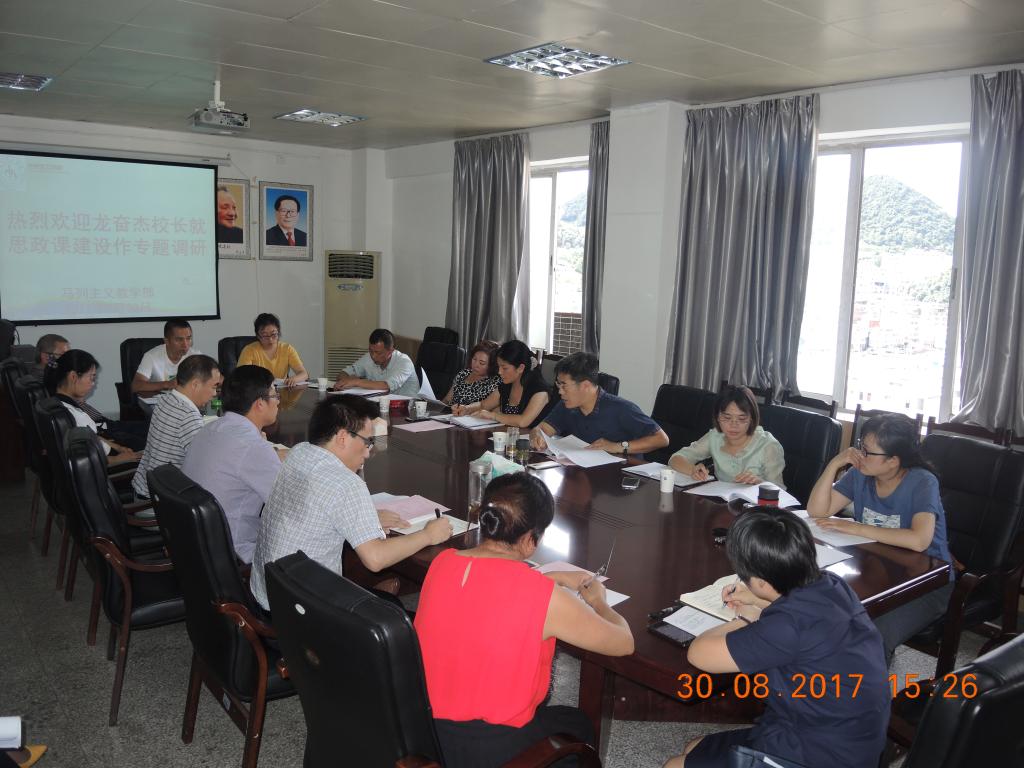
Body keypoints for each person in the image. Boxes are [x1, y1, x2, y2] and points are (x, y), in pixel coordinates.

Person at [414, 472, 634, 768]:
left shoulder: (443, 562)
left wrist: (547, 577)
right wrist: (598, 601)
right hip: (487, 750)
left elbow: (490, 589)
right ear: (531, 540)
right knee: (577, 724)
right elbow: (623, 642)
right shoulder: (544, 596)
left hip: (425, 734)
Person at [665, 508, 889, 768]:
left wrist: (746, 618)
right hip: (847, 734)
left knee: (674, 766)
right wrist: (759, 598)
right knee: (694, 747)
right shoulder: (831, 584)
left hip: (819, 754)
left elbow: (699, 653)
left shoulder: (786, 627)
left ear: (760, 581)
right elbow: (796, 616)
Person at [249, 394, 453, 610]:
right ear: (343, 437)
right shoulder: (345, 482)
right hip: (302, 613)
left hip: (266, 593)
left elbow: (314, 506)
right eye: (367, 442)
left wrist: (363, 519)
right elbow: (376, 558)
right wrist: (428, 535)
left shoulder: (299, 452)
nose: (368, 452)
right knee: (394, 610)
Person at [806, 414, 954, 663]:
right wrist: (834, 464)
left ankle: (868, 686)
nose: (859, 454)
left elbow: (919, 540)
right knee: (822, 610)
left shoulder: (922, 482)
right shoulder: (861, 473)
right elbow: (817, 511)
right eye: (860, 445)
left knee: (872, 636)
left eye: (867, 451)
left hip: (927, 583)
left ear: (893, 461)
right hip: (876, 572)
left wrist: (857, 528)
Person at [181, 365, 285, 564]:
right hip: (232, 554)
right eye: (274, 395)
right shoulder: (253, 448)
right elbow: (287, 505)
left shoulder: (210, 429)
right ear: (259, 404)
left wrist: (270, 455)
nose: (278, 401)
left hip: (195, 541)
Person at [530, 351, 669, 456]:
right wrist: (537, 436)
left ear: (585, 385)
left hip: (620, 477)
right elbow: (542, 429)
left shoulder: (621, 408)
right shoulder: (566, 405)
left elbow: (661, 439)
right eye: (558, 385)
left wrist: (617, 446)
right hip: (582, 471)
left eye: (564, 385)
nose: (560, 391)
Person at [131, 355, 221, 498]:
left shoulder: (165, 400)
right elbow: (208, 466)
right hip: (157, 501)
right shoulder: (188, 416)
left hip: (144, 488)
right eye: (214, 386)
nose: (215, 394)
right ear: (195, 384)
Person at [669, 386, 785, 487]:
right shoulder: (715, 436)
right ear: (717, 417)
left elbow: (779, 491)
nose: (734, 425)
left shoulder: (768, 445)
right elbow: (676, 458)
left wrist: (759, 483)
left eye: (741, 419)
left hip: (755, 505)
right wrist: (693, 470)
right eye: (727, 418)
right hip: (722, 502)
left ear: (752, 419)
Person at [46, 350, 141, 466]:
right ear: (73, 376)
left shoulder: (60, 403)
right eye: (91, 377)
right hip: (105, 463)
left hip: (105, 451)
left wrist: (119, 447)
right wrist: (119, 459)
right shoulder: (71, 415)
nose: (93, 384)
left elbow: (92, 435)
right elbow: (85, 459)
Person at [451, 340, 550, 429]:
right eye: (499, 367)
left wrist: (493, 416)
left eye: (504, 368)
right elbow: (483, 405)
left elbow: (523, 421)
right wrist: (466, 409)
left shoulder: (540, 390)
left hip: (532, 440)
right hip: (507, 437)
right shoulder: (507, 384)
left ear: (520, 368)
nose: (499, 372)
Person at [333, 328, 418, 396]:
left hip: (408, 407)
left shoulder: (404, 362)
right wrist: (344, 381)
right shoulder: (368, 357)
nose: (373, 356)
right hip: (380, 403)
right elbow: (344, 373)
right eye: (370, 351)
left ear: (390, 351)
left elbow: (386, 386)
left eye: (378, 353)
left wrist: (356, 382)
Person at [131, 319, 201, 395]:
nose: (185, 344)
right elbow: (136, 386)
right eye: (179, 339)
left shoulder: (195, 356)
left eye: (188, 338)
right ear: (166, 341)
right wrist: (167, 384)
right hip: (159, 399)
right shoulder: (151, 356)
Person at [237, 313, 308, 386]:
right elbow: (241, 376)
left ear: (278, 332)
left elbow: (304, 374)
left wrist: (294, 379)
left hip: (280, 390)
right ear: (258, 336)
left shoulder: (287, 349)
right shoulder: (249, 350)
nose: (270, 339)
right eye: (265, 335)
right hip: (258, 390)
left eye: (273, 334)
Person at [442, 340, 499, 406]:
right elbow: (446, 400)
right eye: (474, 359)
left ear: (492, 365)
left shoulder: (495, 382)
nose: (476, 365)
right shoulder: (464, 374)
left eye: (482, 363)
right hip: (449, 411)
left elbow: (489, 408)